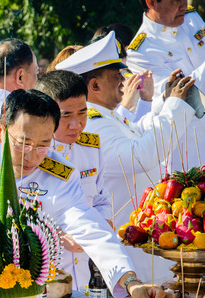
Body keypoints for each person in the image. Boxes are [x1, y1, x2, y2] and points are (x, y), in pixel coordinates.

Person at [0, 89, 166, 298]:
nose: (32, 155)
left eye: (43, 145)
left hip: (26, 286)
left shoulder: (60, 174)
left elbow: (91, 229)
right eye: (22, 143)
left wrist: (131, 280)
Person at [56, 30, 196, 283]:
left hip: (137, 245)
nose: (123, 80)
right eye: (116, 76)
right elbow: (139, 156)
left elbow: (141, 132)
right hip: (127, 251)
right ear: (94, 85)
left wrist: (165, 101)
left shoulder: (105, 117)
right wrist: (176, 106)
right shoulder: (92, 123)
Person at [36, 70, 112, 291]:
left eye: (83, 113)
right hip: (44, 275)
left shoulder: (91, 147)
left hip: (83, 274)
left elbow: (100, 199)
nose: (76, 124)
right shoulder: (31, 155)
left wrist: (102, 221)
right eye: (66, 115)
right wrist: (57, 237)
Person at [127, 0, 205, 171]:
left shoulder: (192, 18)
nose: (183, 6)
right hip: (191, 153)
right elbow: (186, 98)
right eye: (174, 2)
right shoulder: (141, 52)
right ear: (151, 3)